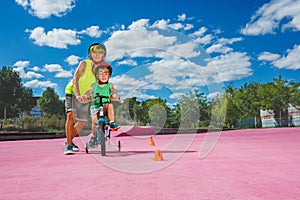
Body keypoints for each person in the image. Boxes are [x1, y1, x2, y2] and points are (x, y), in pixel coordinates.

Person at [64, 43, 107, 155]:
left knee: (81, 123)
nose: (97, 55)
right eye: (95, 52)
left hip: (83, 97)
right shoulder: (84, 64)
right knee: (70, 114)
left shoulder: (100, 71)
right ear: (90, 54)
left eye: (100, 53)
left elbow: (92, 87)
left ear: (103, 55)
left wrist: (86, 96)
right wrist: (77, 94)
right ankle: (69, 145)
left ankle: (68, 139)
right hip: (72, 92)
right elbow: (75, 78)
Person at [82, 62, 120, 148]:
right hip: (95, 106)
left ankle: (112, 122)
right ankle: (94, 137)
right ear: (97, 76)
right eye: (101, 74)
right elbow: (89, 92)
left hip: (105, 106)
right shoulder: (94, 85)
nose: (103, 76)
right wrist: (85, 96)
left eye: (106, 74)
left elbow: (114, 91)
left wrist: (115, 95)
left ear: (109, 76)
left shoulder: (109, 85)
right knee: (94, 121)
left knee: (109, 104)